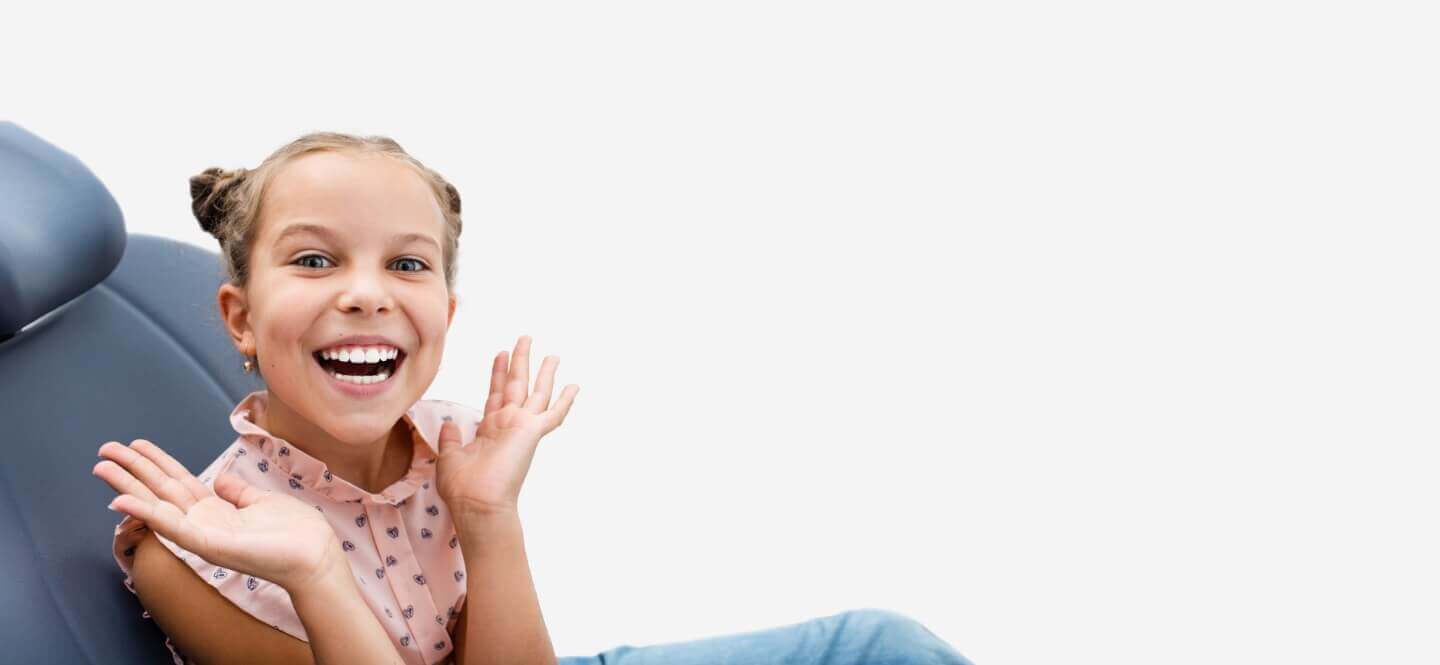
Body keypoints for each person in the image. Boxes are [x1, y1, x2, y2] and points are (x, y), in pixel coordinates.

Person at [92, 131, 973, 665]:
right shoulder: (184, 556)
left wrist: (486, 512)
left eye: (407, 263)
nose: (368, 293)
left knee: (883, 645)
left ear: (445, 310)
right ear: (240, 318)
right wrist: (317, 572)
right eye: (316, 259)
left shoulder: (452, 451)